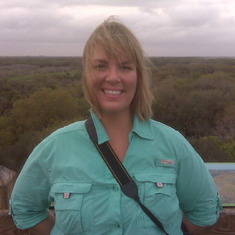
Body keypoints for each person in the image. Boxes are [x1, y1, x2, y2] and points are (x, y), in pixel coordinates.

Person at [10, 17, 221, 235]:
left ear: (138, 76)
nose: (113, 77)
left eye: (125, 67)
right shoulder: (55, 147)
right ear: (86, 74)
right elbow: (26, 210)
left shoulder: (173, 145)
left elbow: (203, 214)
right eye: (101, 66)